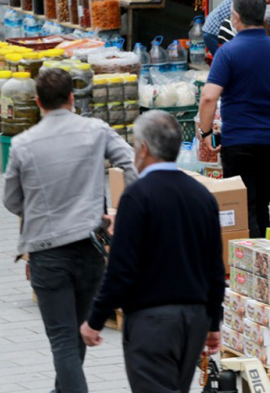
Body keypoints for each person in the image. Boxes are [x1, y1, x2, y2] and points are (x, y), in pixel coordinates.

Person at [2, 68, 138, 393]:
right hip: (90, 247)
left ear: (37, 102)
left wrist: (36, 212)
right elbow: (132, 164)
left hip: (48, 254)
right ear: (72, 99)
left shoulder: (22, 144)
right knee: (75, 333)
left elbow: (10, 200)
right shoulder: (96, 130)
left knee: (63, 340)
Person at [81, 110, 225, 393]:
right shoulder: (202, 196)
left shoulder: (138, 196)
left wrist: (95, 319)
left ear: (144, 148)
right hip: (193, 321)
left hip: (152, 322)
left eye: (135, 145)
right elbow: (214, 268)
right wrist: (213, 321)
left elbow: (121, 268)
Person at [199, 0, 270, 238]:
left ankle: (249, 259)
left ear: (235, 17)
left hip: (239, 140)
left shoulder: (228, 52)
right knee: (262, 203)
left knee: (244, 204)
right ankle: (264, 260)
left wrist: (206, 133)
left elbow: (209, 97)